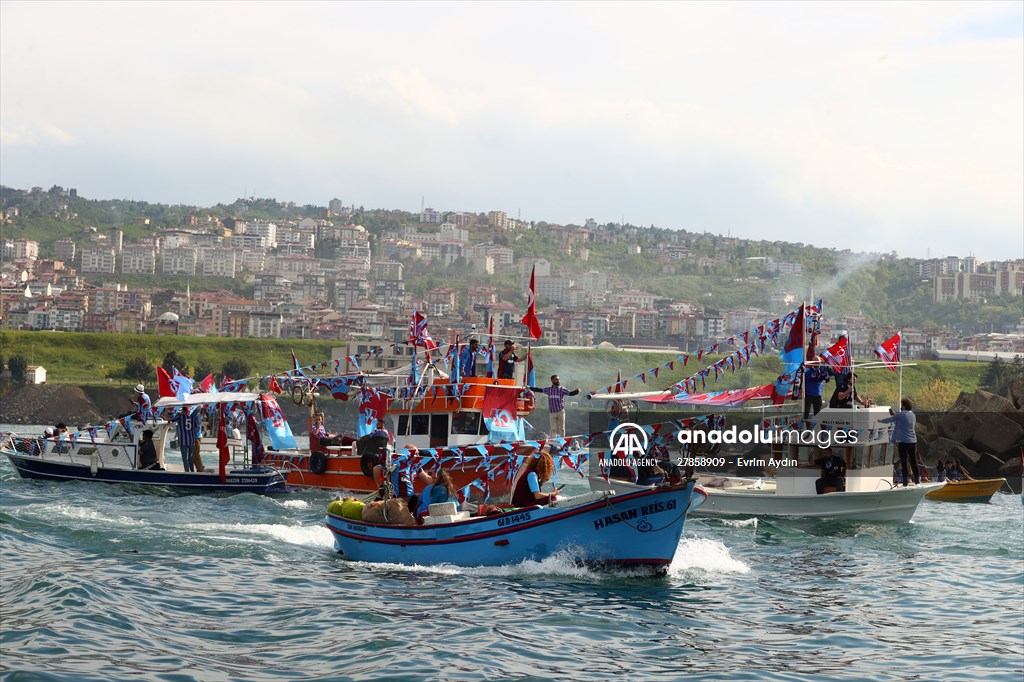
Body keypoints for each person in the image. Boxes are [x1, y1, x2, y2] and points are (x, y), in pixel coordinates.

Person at [879, 397, 918, 486]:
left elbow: (889, 420)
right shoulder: (913, 415)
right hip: (913, 441)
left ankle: (905, 483)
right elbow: (902, 421)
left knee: (904, 463)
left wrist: (880, 420)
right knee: (914, 462)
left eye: (901, 405)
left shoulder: (900, 415)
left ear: (903, 406)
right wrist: (894, 414)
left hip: (903, 443)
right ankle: (917, 481)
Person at [803, 353, 831, 418]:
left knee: (818, 414)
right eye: (815, 362)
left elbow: (830, 373)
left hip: (818, 395)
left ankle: (816, 426)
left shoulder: (823, 369)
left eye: (818, 362)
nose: (816, 364)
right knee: (806, 412)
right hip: (808, 395)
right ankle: (805, 424)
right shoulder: (808, 371)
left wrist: (826, 365)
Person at [175, 407, 202, 472]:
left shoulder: (180, 417)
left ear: (183, 410)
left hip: (183, 441)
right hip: (191, 440)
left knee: (185, 459)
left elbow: (171, 419)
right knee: (190, 458)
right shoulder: (192, 417)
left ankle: (187, 472)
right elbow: (196, 426)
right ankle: (192, 471)